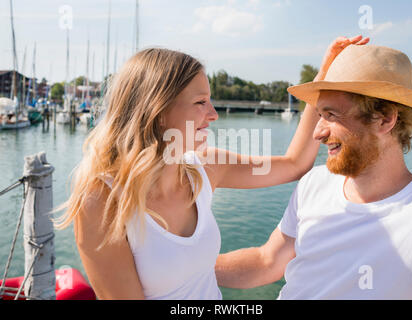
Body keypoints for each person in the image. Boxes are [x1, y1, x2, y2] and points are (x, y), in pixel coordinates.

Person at [54, 36, 368, 300]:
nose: (214, 114)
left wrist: (319, 83)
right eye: (201, 102)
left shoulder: (204, 167)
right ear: (158, 111)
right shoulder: (101, 200)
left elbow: (294, 164)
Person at [215, 44, 412, 299]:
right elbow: (267, 261)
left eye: (331, 115)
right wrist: (177, 264)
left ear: (385, 118)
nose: (318, 132)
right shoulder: (315, 183)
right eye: (319, 114)